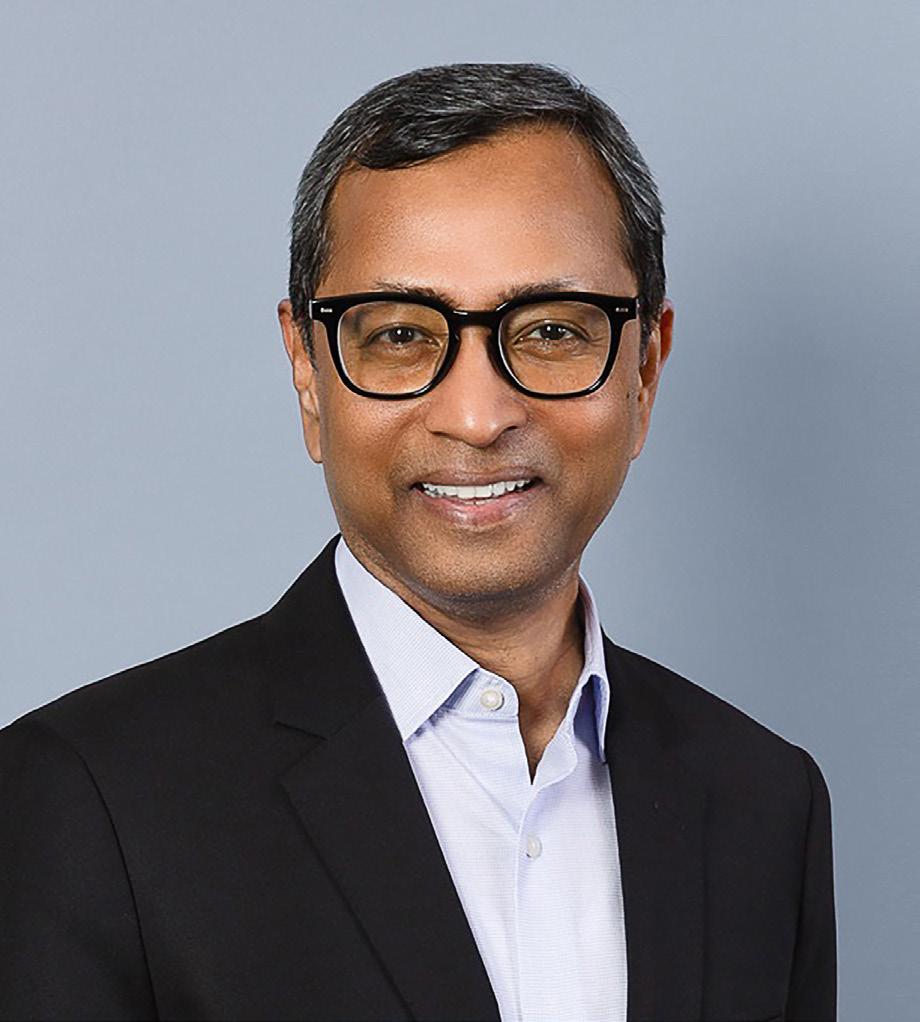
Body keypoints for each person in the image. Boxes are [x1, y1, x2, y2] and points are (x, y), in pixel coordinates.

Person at [0, 63, 836, 1022]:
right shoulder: (88, 802)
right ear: (308, 371)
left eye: (551, 330)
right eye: (400, 335)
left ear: (644, 368)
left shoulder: (764, 804)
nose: (477, 416)